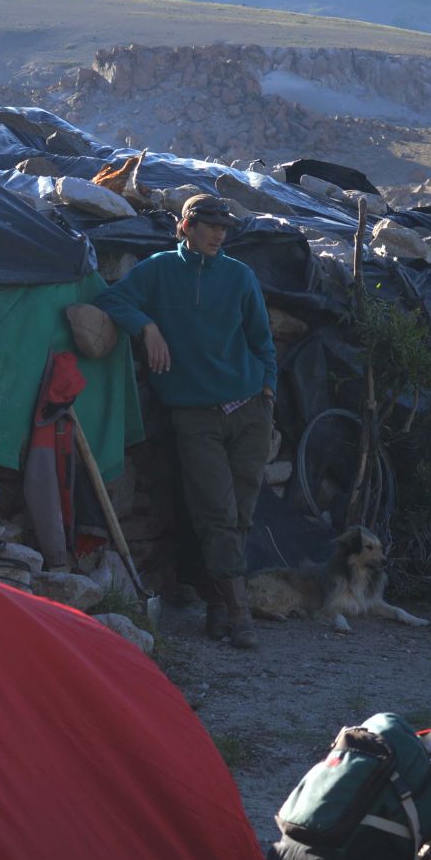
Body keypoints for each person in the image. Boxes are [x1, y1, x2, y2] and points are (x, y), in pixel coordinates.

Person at [96, 194, 277, 648]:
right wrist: (148, 326)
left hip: (248, 409)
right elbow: (111, 299)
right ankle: (239, 614)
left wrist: (268, 390)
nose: (219, 234)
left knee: (241, 513)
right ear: (186, 226)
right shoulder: (159, 270)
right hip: (195, 414)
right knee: (215, 511)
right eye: (209, 225)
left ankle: (218, 606)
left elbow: (262, 339)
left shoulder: (239, 276)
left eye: (224, 227)